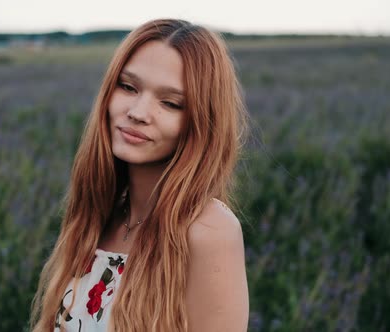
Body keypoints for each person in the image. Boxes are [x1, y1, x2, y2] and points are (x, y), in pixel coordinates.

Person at [29, 18, 250, 332]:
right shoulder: (101, 213)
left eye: (170, 103)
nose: (138, 112)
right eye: (128, 87)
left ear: (201, 122)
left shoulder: (209, 231)